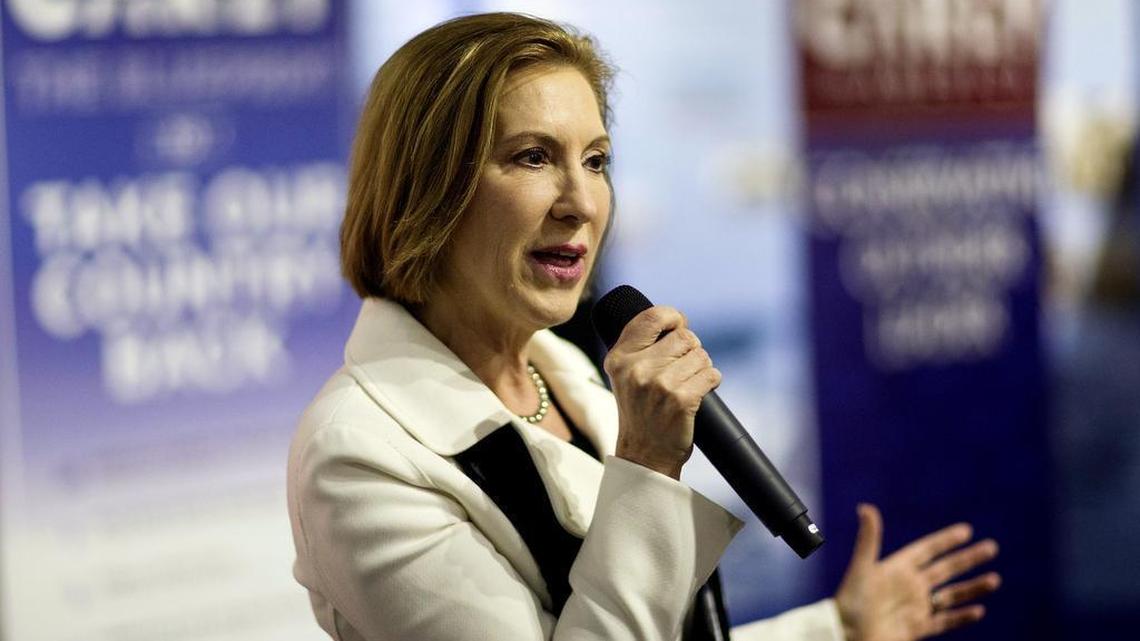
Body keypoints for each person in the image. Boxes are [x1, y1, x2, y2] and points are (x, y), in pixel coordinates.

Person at [286, 12, 1000, 641]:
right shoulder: (359, 451)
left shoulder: (568, 383)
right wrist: (649, 465)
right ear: (427, 187)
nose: (582, 202)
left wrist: (834, 629)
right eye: (533, 157)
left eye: (596, 161)